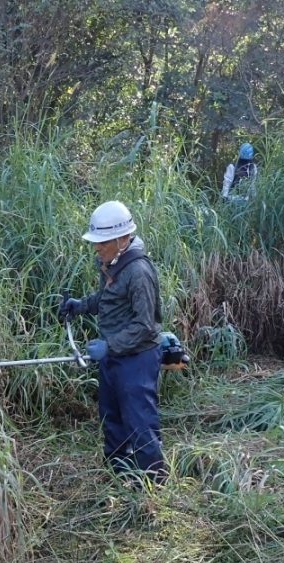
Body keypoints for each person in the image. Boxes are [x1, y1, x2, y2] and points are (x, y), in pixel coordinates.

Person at [58, 201, 167, 484]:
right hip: (114, 356)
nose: (97, 248)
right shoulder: (112, 263)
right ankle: (120, 474)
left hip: (137, 358)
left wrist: (110, 346)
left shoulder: (139, 272)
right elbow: (109, 300)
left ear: (122, 239)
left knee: (139, 420)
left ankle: (153, 483)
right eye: (95, 242)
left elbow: (145, 325)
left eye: (102, 242)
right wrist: (81, 305)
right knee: (111, 416)